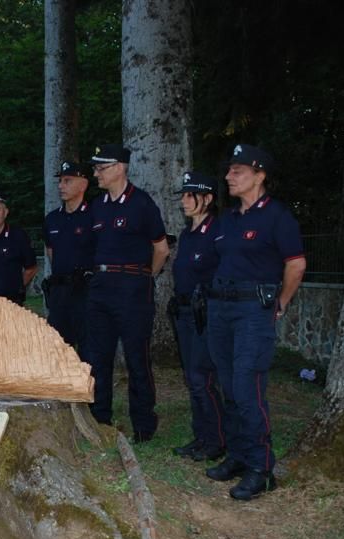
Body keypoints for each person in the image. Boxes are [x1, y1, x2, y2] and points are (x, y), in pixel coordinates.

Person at [205, 144, 306, 500]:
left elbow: (295, 264)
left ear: (259, 175)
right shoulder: (228, 219)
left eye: (238, 171)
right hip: (222, 309)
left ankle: (261, 468)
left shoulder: (277, 216)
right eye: (229, 171)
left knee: (248, 388)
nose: (229, 177)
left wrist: (279, 303)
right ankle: (237, 455)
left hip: (252, 311)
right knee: (228, 386)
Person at [86, 144, 169, 442]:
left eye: (102, 168)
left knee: (137, 359)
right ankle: (100, 419)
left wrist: (146, 277)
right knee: (98, 357)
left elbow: (161, 249)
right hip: (101, 288)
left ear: (120, 167)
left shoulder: (142, 204)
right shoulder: (97, 206)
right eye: (96, 168)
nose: (97, 173)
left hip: (133, 290)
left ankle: (143, 426)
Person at [170, 171, 227, 462]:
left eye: (189, 195)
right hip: (184, 313)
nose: (184, 200)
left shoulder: (219, 231)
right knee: (192, 378)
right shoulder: (187, 233)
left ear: (207, 198)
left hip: (206, 314)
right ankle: (201, 436)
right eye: (183, 195)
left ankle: (216, 440)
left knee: (201, 376)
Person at [42, 161, 94, 354]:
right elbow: (51, 251)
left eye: (67, 181)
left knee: (89, 348)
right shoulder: (52, 219)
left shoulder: (94, 215)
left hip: (87, 291)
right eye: (60, 181)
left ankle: (89, 384)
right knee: (58, 348)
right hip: (60, 293)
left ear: (83, 184)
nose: (61, 186)